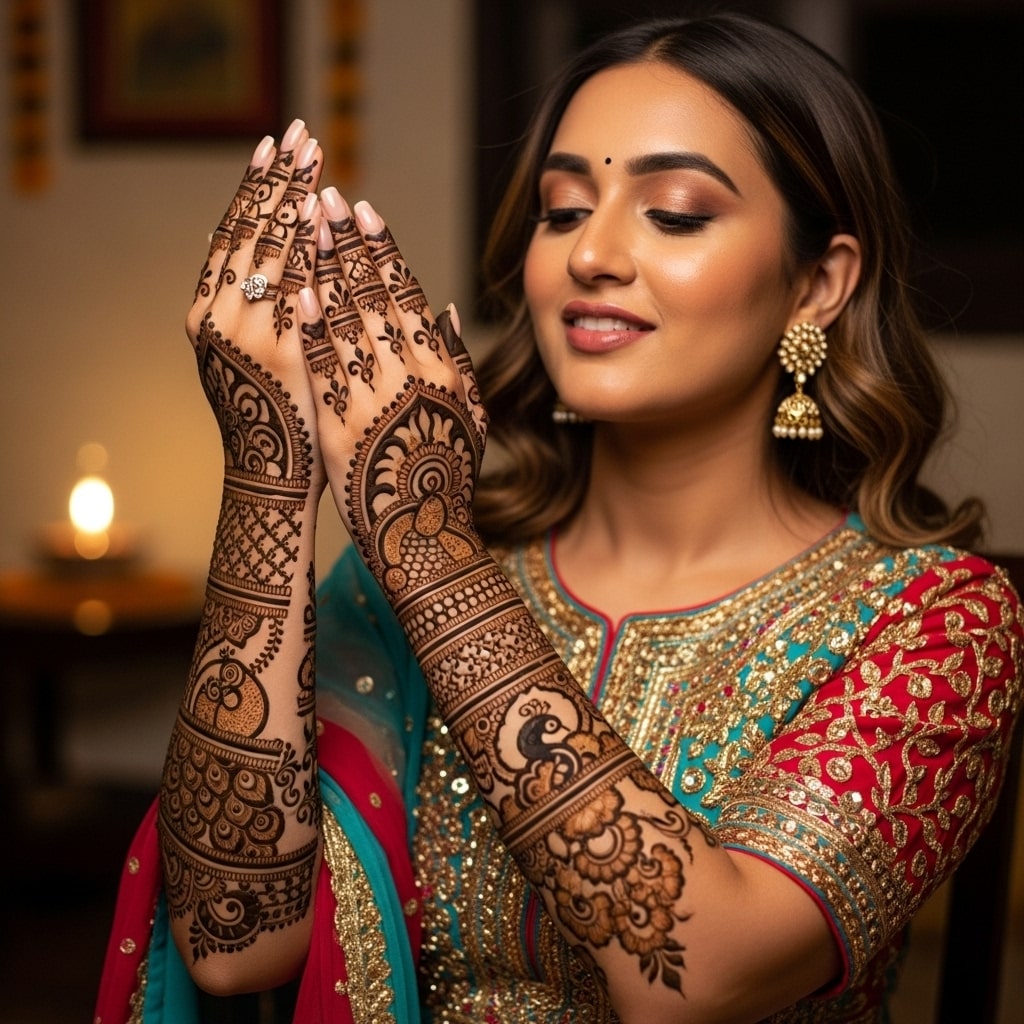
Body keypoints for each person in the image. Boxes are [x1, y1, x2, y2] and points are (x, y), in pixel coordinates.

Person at [95, 12, 1022, 1024]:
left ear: (817, 284)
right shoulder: (410, 572)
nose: (592, 255)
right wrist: (270, 478)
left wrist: (424, 546)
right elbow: (233, 942)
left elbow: (695, 973)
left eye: (672, 213)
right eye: (562, 208)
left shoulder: (935, 624)